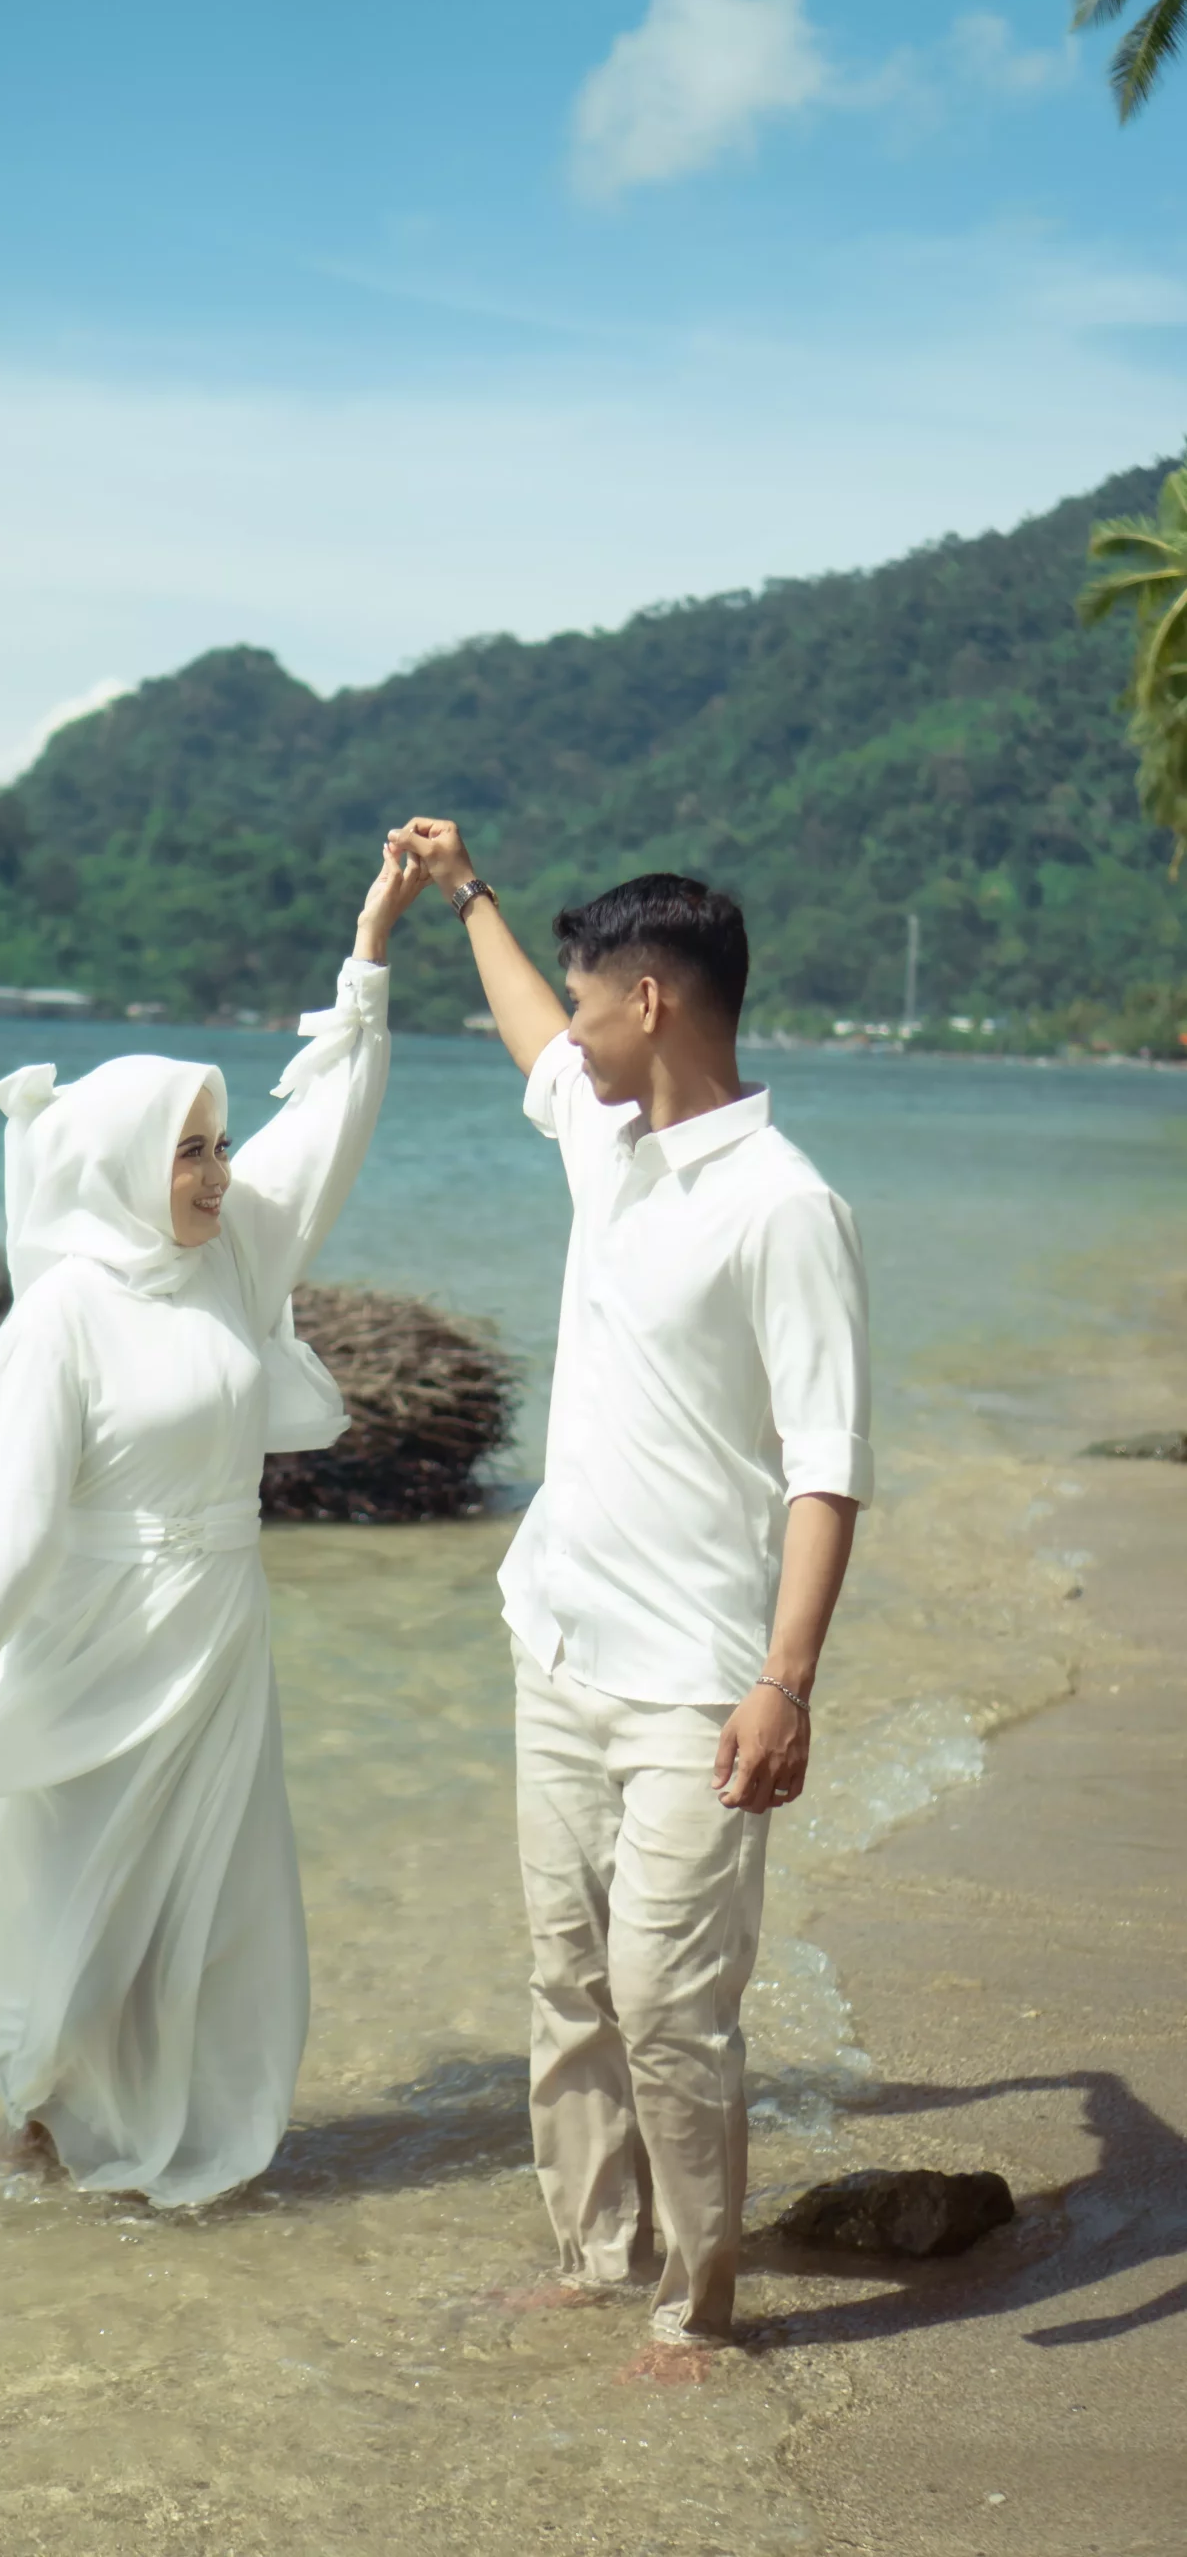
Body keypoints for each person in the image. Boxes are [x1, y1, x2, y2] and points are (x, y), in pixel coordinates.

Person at [0, 844, 426, 2209]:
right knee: (87, 1916)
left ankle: (175, 2145)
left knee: (213, 1912)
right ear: (121, 1167)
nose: (214, 1173)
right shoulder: (59, 1324)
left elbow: (326, 1128)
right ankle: (44, 2144)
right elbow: (0, 1530)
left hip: (217, 1642)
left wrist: (369, 957)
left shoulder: (230, 1257)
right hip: (92, 1653)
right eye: (188, 1152)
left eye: (216, 1146)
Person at [387, 821, 872, 2376]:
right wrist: (465, 895)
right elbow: (530, 1030)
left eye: (595, 1004)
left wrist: (784, 1683)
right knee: (568, 1977)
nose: (571, 1036)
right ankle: (597, 2257)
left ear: (651, 1003)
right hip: (555, 1641)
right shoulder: (607, 1140)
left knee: (669, 2000)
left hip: (696, 1681)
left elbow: (825, 1467)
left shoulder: (784, 1207)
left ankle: (694, 2302)